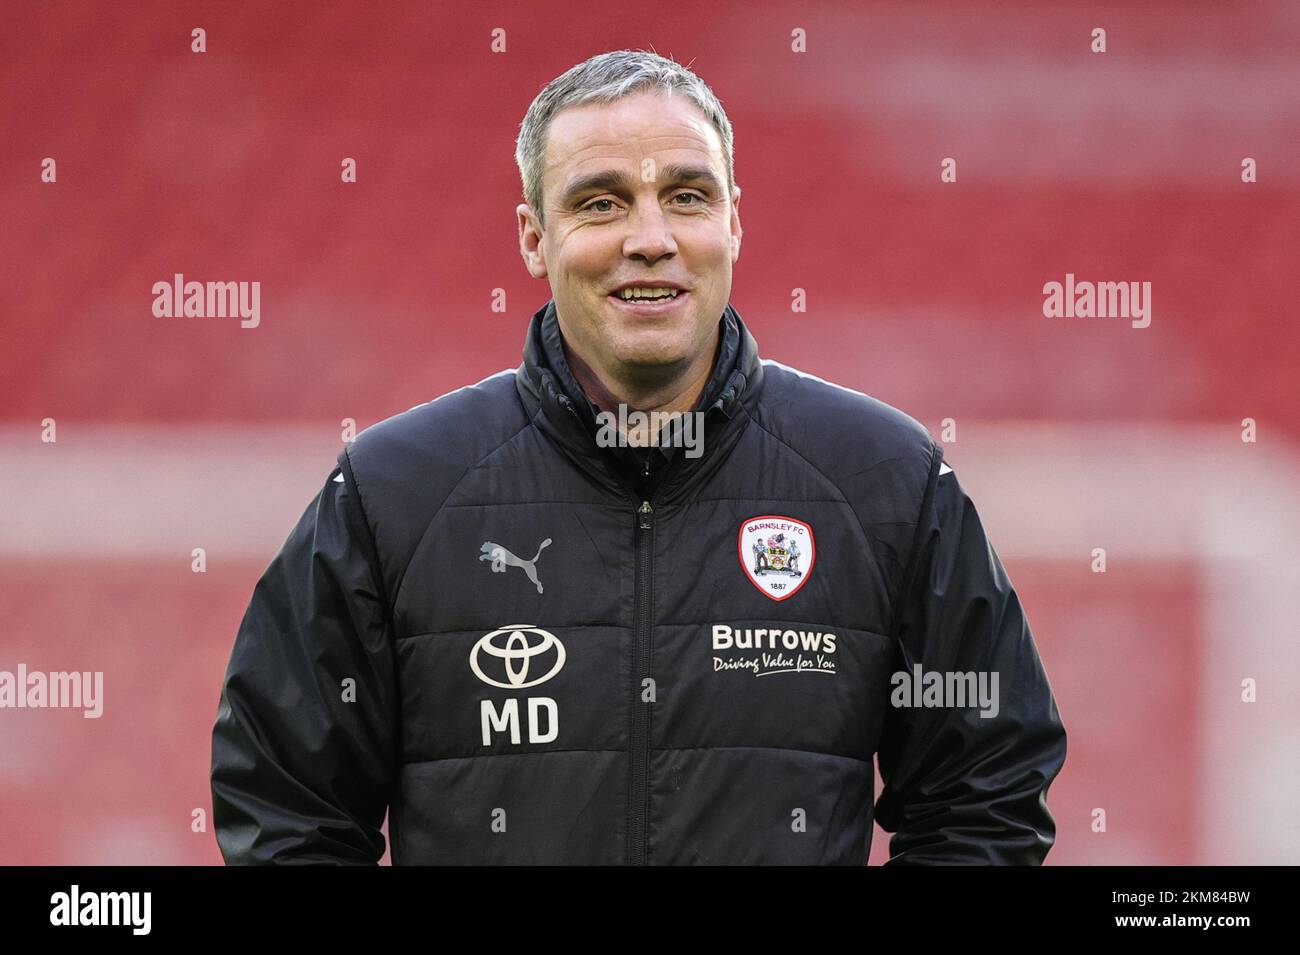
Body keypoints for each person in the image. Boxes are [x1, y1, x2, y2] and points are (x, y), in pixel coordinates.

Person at [210, 49, 1066, 865]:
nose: (650, 237)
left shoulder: (884, 478)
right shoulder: (392, 490)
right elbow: (288, 806)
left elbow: (984, 789)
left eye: (687, 196)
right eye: (600, 202)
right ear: (533, 238)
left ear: (734, 220)